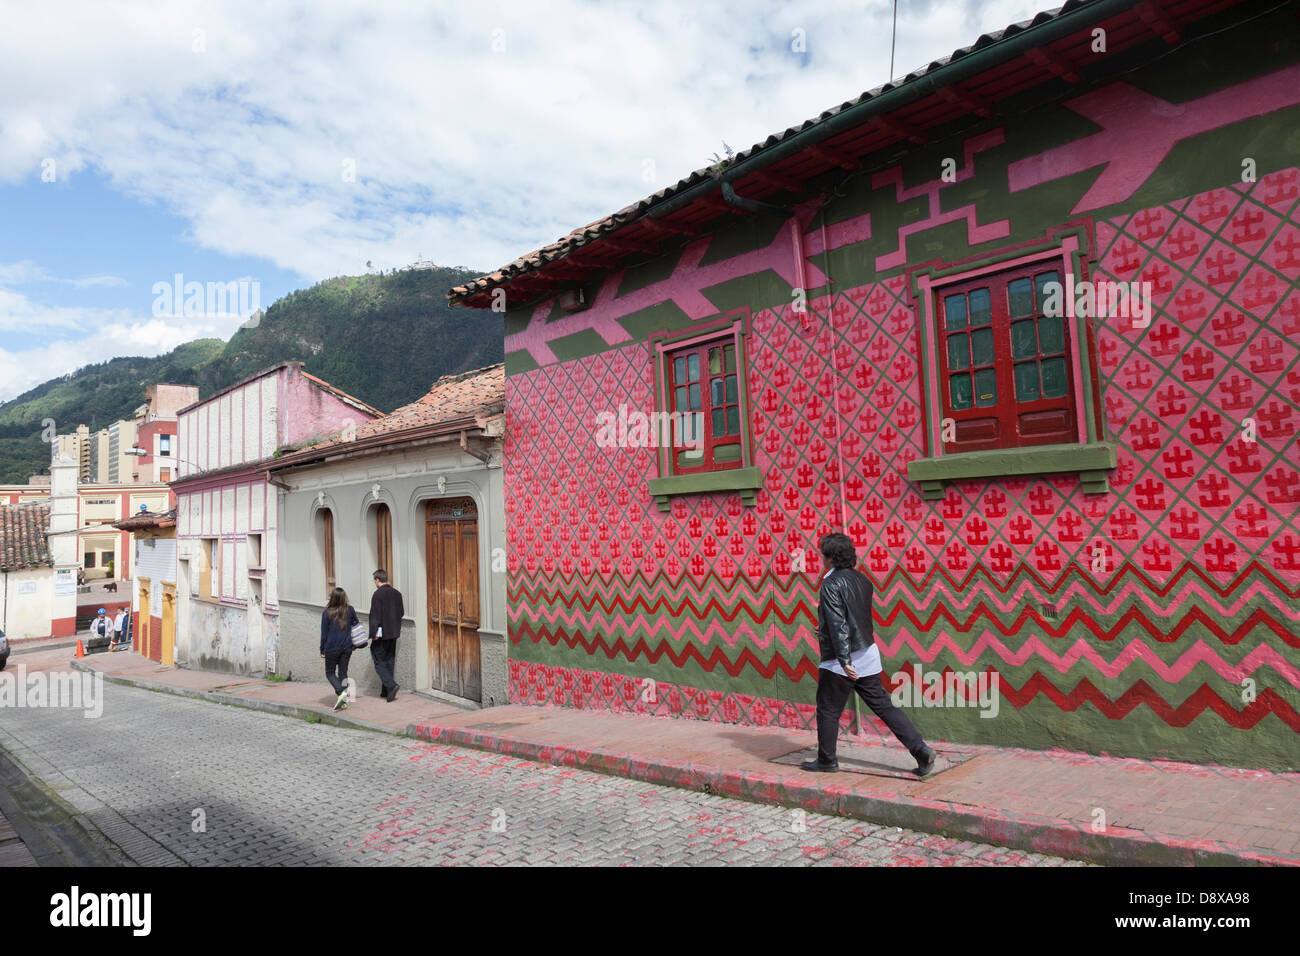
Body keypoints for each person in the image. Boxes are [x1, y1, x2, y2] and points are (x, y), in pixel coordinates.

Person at [802, 532, 938, 776]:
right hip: (868, 654)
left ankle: (827, 760)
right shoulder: (863, 581)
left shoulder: (830, 583)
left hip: (841, 661)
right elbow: (852, 618)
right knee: (884, 706)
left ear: (831, 557)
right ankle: (921, 750)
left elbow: (839, 624)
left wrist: (844, 661)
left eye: (824, 555)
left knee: (828, 710)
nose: (822, 560)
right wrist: (824, 629)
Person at [368, 569, 404, 702]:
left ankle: (391, 685)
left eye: (374, 580)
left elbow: (375, 616)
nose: (374, 583)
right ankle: (386, 691)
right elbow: (401, 612)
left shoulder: (378, 594)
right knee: (389, 660)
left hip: (381, 634)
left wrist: (373, 633)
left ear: (378, 580)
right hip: (393, 633)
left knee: (378, 659)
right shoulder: (397, 593)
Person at [320, 587, 357, 711]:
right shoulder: (350, 610)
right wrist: (354, 644)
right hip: (347, 647)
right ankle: (343, 700)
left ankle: (341, 692)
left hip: (331, 648)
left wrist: (322, 650)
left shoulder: (327, 613)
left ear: (332, 598)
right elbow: (356, 625)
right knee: (343, 674)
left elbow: (324, 633)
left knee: (330, 673)